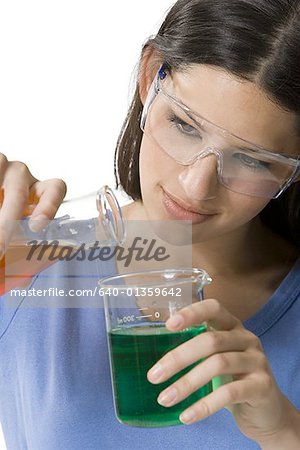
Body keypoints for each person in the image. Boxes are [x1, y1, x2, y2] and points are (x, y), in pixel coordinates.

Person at [0, 0, 300, 448]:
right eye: (185, 125)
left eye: (253, 160)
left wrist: (283, 431)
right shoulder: (28, 266)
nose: (196, 187)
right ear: (149, 77)